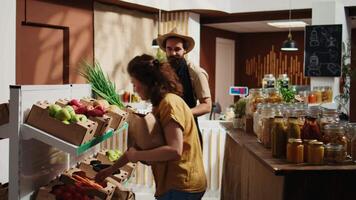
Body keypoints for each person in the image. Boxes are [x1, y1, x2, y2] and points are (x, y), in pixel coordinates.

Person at [96, 54, 207, 200]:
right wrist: (110, 170)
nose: (134, 89)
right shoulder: (161, 104)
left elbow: (175, 150)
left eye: (135, 84)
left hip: (181, 185)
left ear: (147, 82)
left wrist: (138, 156)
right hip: (179, 183)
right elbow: (134, 150)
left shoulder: (169, 104)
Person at [157, 28, 212, 147]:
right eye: (169, 49)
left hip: (188, 131)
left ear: (185, 50)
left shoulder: (196, 73)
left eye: (177, 49)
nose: (172, 53)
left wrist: (180, 114)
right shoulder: (163, 71)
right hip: (164, 131)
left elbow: (207, 106)